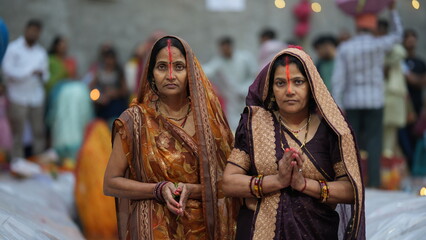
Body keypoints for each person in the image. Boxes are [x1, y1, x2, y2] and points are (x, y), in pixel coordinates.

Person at [103, 36, 238, 240]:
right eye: (162, 67)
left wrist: (190, 189)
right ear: (151, 74)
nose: (171, 75)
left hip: (204, 227)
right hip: (153, 228)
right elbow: (110, 183)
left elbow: (227, 185)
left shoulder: (211, 123)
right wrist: (159, 189)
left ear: (191, 72)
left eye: (179, 67)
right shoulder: (135, 121)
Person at [223, 47, 365, 240]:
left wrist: (304, 184)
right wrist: (277, 181)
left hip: (317, 231)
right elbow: (229, 182)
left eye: (298, 82)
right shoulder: (254, 124)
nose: (289, 91)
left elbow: (351, 189)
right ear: (271, 89)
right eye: (280, 83)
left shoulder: (332, 129)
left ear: (311, 85)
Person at [331, 1, 402, 187]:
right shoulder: (379, 44)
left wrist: (338, 104)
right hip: (375, 100)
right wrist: (393, 11)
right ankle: (375, 181)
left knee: (351, 144)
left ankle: (353, 181)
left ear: (357, 25)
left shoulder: (345, 48)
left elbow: (338, 79)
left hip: (352, 101)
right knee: (374, 141)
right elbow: (398, 35)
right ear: (374, 26)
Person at [1, 19, 49, 160]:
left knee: (38, 131)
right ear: (26, 30)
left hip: (35, 97)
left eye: (37, 31)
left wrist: (41, 74)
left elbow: (46, 75)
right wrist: (30, 71)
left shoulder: (41, 52)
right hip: (18, 96)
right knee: (17, 132)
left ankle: (38, 160)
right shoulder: (13, 48)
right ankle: (16, 161)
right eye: (32, 30)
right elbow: (7, 70)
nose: (34, 34)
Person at [203, 36, 257, 132]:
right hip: (231, 99)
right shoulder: (218, 62)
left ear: (231, 46)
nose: (225, 51)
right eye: (222, 49)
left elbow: (254, 74)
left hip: (247, 93)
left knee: (251, 121)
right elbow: (206, 71)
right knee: (234, 124)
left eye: (227, 48)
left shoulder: (244, 58)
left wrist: (246, 88)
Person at [377, 19, 407, 158]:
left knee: (392, 130)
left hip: (393, 93)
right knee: (380, 131)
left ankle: (389, 165)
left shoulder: (393, 48)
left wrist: (386, 62)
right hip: (379, 94)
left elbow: (401, 52)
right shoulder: (375, 48)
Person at [399, 29, 426, 168]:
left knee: (416, 136)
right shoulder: (399, 61)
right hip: (401, 106)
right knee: (402, 138)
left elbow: (420, 82)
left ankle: (416, 167)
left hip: (416, 106)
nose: (410, 40)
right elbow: (414, 80)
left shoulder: (420, 62)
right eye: (407, 38)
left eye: (412, 38)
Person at [89, 47, 128, 123]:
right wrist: (98, 97)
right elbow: (91, 89)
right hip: (102, 106)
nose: (109, 61)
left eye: (111, 59)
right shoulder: (99, 72)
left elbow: (125, 91)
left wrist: (114, 93)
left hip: (116, 106)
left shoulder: (119, 72)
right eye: (107, 58)